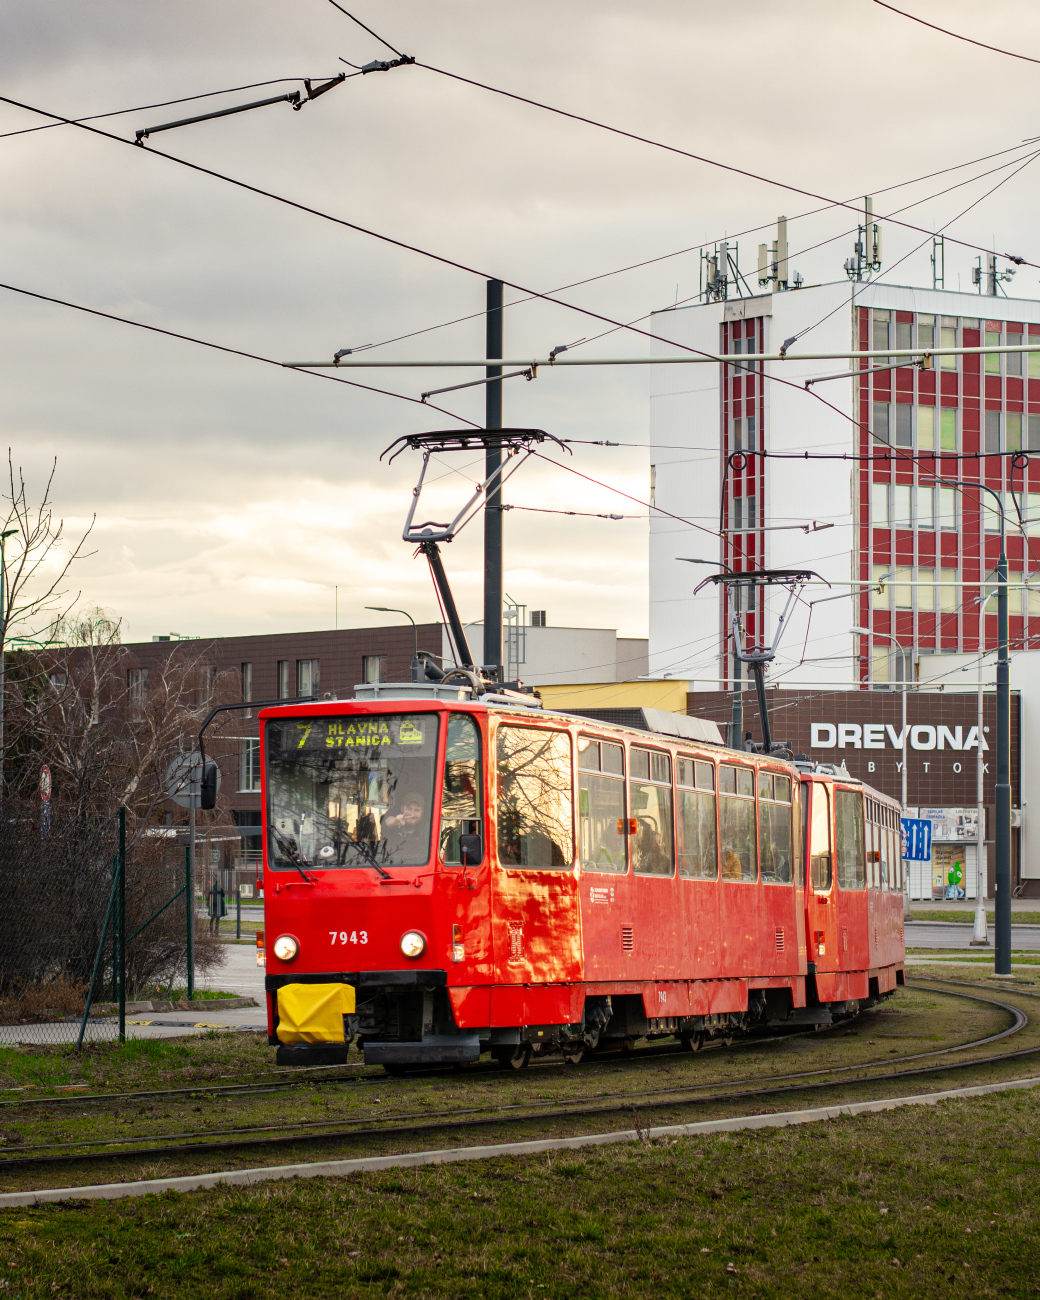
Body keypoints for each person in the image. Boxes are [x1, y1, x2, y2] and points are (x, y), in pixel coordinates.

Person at [382, 793, 427, 860]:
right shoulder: (393, 826)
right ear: (402, 808)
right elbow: (387, 822)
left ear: (422, 812)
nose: (412, 814)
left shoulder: (427, 831)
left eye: (417, 810)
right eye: (409, 809)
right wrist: (395, 821)